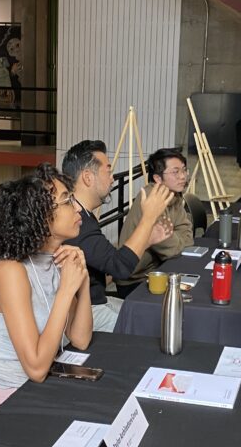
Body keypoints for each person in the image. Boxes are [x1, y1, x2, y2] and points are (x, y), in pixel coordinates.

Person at [0, 164, 92, 446]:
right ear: (40, 217)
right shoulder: (10, 272)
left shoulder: (54, 261)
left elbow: (81, 338)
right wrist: (65, 292)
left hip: (29, 399)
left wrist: (81, 281)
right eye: (66, 201)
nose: (78, 208)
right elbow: (36, 368)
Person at [62, 140, 174, 332]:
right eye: (108, 170)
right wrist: (148, 218)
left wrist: (147, 239)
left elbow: (108, 265)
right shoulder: (75, 221)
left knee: (147, 313)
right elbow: (119, 267)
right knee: (151, 327)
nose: (113, 178)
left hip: (97, 300)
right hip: (85, 310)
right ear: (88, 177)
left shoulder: (85, 216)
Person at [114, 147, 194, 293]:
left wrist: (177, 239)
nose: (183, 176)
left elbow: (188, 237)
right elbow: (171, 250)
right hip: (135, 280)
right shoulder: (152, 201)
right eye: (175, 172)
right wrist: (178, 240)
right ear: (157, 178)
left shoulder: (173, 195)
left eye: (184, 170)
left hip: (157, 271)